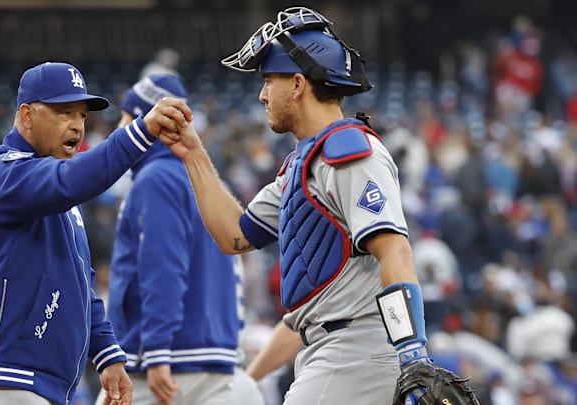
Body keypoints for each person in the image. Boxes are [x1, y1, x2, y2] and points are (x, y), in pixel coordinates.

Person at [161, 6, 474, 404]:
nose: (261, 94)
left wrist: (412, 353)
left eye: (268, 80)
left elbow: (394, 250)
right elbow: (235, 235)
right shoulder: (302, 165)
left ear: (296, 84)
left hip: (356, 350)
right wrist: (193, 154)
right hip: (325, 350)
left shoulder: (351, 153)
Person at [0, 61, 191, 405]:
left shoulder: (60, 189)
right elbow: (69, 180)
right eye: (64, 113)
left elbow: (78, 280)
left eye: (82, 115)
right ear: (27, 115)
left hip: (36, 382)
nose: (77, 125)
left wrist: (106, 350)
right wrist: (140, 132)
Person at [94, 74, 263, 405]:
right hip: (213, 356)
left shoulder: (157, 178)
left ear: (148, 120)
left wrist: (157, 351)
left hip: (168, 361)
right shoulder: (202, 178)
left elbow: (162, 267)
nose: (119, 127)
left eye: (127, 117)